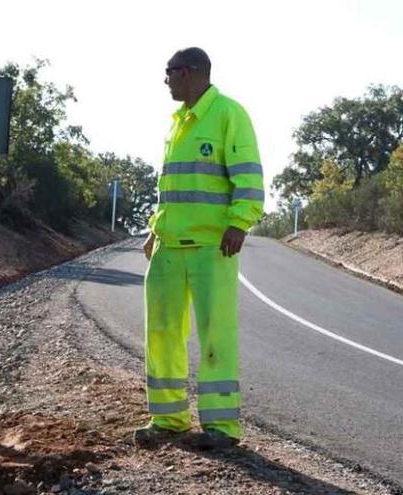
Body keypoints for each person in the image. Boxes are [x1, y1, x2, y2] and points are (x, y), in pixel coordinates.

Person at [135, 47, 264, 450]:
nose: (166, 80)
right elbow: (170, 188)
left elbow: (249, 175)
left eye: (169, 72)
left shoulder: (228, 114)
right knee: (161, 333)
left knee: (215, 336)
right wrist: (156, 230)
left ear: (189, 73)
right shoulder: (177, 124)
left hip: (213, 248)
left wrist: (240, 222)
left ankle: (221, 428)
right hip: (169, 247)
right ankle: (168, 419)